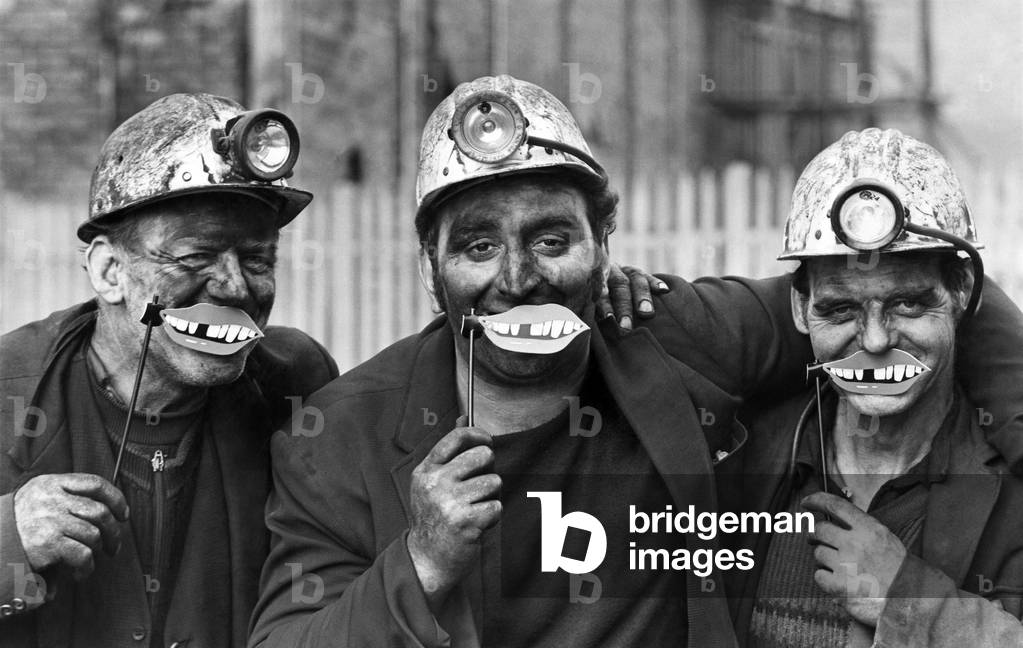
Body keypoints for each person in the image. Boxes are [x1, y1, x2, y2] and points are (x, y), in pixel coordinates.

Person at [248, 76, 1023, 648]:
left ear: (603, 245)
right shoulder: (340, 436)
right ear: (430, 265)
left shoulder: (675, 335)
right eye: (478, 246)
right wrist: (419, 563)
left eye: (552, 239)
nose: (517, 278)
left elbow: (912, 294)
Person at [0, 93, 339, 648]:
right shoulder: (7, 390)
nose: (236, 287)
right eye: (194, 257)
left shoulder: (297, 383)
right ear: (109, 271)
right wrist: (7, 542)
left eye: (256, 259)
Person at [725, 128, 1023, 647]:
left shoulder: (1012, 492)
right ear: (800, 307)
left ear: (961, 292)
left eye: (908, 303)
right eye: (840, 308)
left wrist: (906, 598)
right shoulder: (740, 456)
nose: (876, 340)